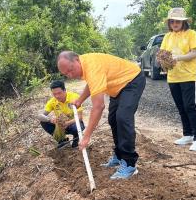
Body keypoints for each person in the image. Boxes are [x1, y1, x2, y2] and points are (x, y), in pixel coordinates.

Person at [57, 51, 145, 179]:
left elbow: (98, 107)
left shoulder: (92, 67)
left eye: (70, 70)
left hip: (132, 80)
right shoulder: (85, 65)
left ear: (76, 59)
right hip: (117, 88)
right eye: (66, 74)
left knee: (122, 118)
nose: (70, 75)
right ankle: (119, 155)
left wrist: (86, 136)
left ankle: (129, 163)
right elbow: (92, 84)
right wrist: (80, 100)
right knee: (113, 119)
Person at [160, 7, 196, 152]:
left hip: (188, 76)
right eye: (172, 21)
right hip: (173, 77)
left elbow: (195, 52)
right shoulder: (167, 37)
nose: (175, 23)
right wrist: (163, 63)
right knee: (181, 107)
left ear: (183, 21)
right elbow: (163, 54)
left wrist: (178, 58)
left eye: (178, 21)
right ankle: (188, 134)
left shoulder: (191, 34)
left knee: (190, 106)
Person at [37, 80, 85, 149]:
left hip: (72, 123)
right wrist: (50, 119)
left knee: (78, 127)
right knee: (43, 122)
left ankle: (76, 141)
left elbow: (80, 117)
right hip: (60, 125)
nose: (57, 96)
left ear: (65, 90)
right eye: (54, 94)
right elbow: (40, 116)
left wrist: (67, 123)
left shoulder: (74, 97)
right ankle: (63, 141)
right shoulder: (52, 101)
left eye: (59, 93)